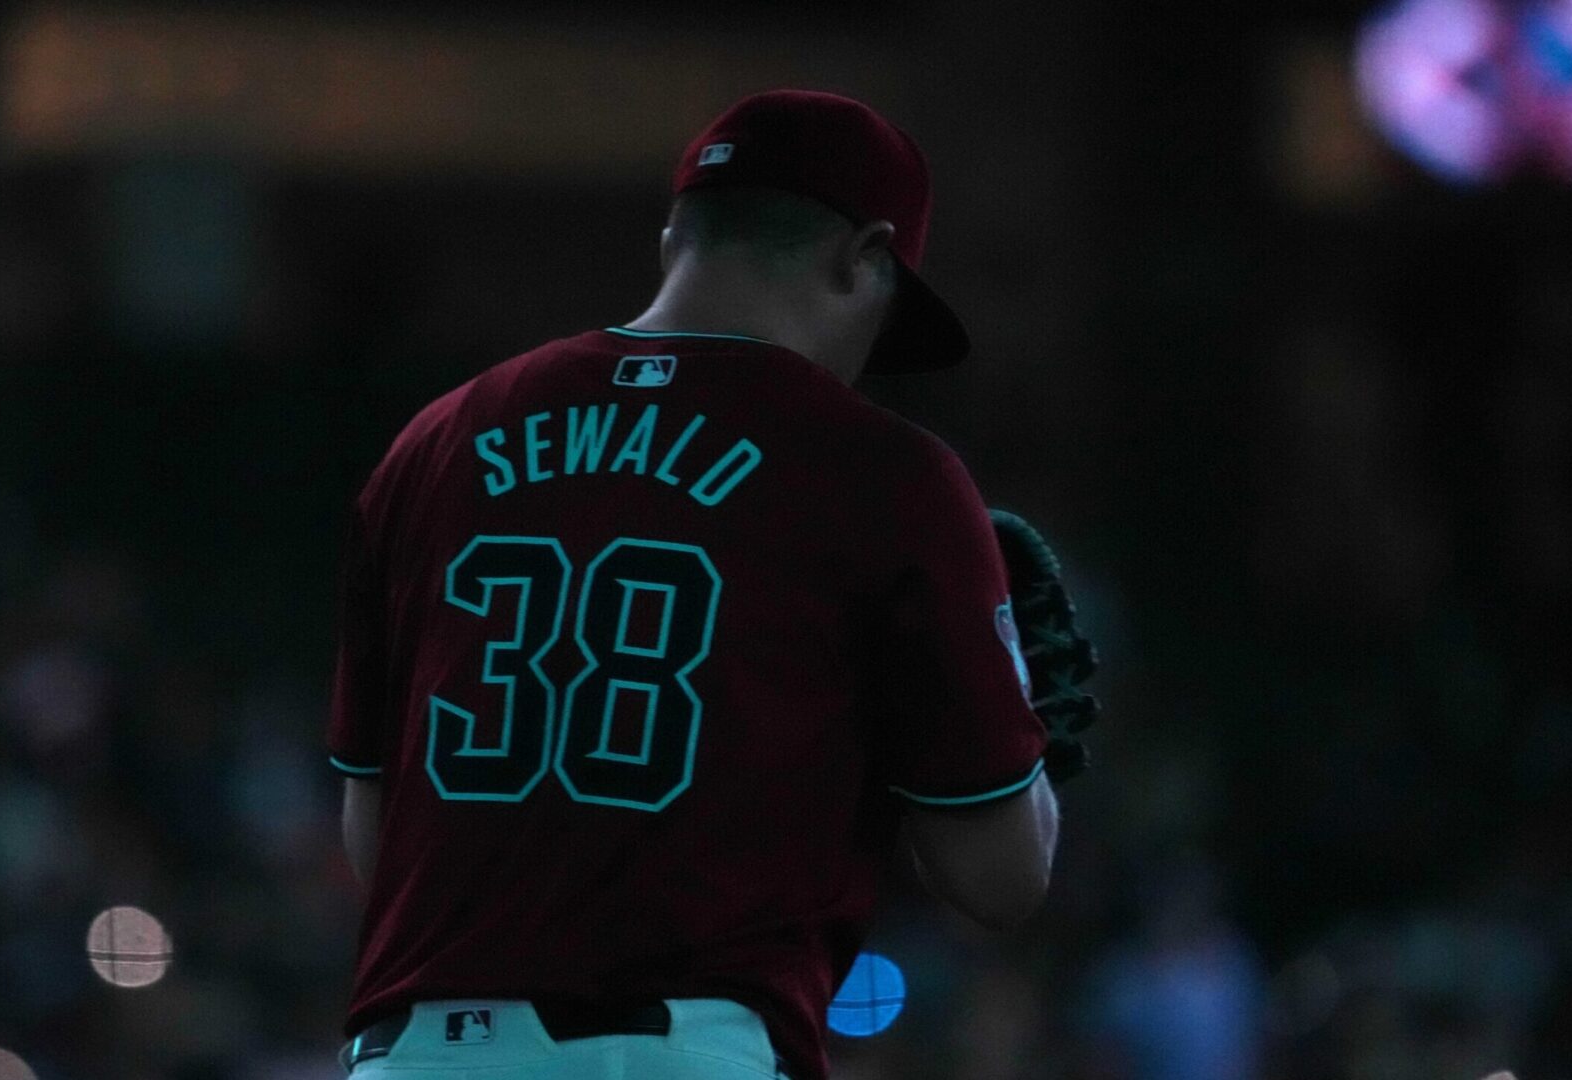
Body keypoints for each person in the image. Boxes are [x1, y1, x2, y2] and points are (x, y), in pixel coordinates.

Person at [326, 89, 1097, 1080]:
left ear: (672, 240)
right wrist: (1015, 719)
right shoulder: (884, 473)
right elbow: (1000, 879)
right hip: (685, 1051)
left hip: (419, 1055)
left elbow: (375, 838)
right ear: (864, 257)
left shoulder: (433, 443)